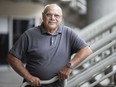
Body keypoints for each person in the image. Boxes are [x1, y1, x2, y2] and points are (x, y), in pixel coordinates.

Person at [6, 3, 92, 87]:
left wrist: (69, 66)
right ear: (43, 16)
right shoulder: (29, 34)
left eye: (56, 15)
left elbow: (86, 50)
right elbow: (12, 57)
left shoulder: (68, 33)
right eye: (49, 15)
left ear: (61, 18)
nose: (52, 18)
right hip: (33, 85)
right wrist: (28, 76)